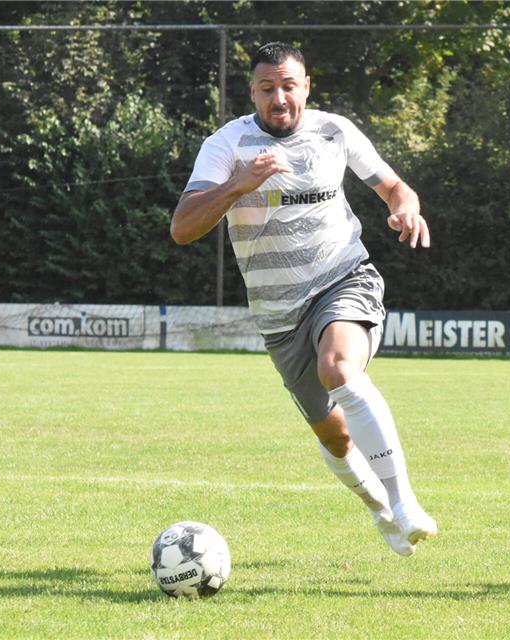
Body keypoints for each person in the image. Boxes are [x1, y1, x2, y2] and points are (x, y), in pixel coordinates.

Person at [171, 42, 436, 557]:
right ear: (252, 92)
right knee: (336, 438)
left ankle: (404, 502)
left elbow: (396, 187)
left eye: (289, 85)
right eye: (267, 88)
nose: (279, 98)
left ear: (306, 86)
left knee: (338, 367)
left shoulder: (334, 130)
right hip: (278, 316)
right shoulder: (226, 145)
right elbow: (183, 228)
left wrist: (407, 209)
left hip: (343, 278)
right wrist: (239, 184)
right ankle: (382, 511)